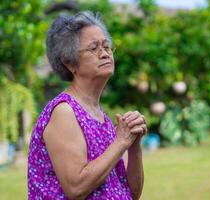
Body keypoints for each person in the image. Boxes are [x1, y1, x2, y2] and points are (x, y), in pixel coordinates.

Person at [28, 11, 147, 200]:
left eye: (107, 46)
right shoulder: (64, 111)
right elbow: (76, 188)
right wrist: (121, 142)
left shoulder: (102, 118)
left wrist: (134, 146)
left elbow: (131, 192)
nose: (105, 53)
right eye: (94, 48)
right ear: (69, 63)